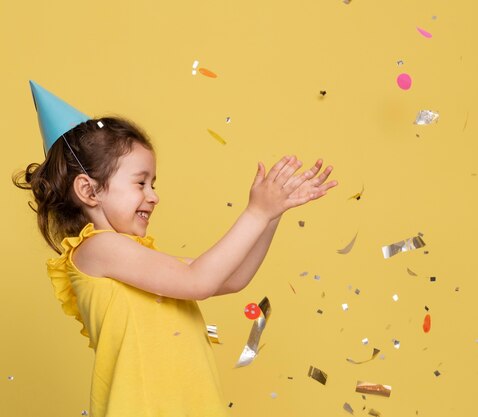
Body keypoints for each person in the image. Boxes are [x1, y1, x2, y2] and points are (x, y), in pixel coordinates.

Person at [13, 81, 338, 416]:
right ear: (89, 190)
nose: (153, 195)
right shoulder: (98, 248)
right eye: (140, 182)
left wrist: (272, 214)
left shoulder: (131, 256)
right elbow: (199, 281)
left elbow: (231, 278)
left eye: (153, 184)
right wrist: (256, 212)